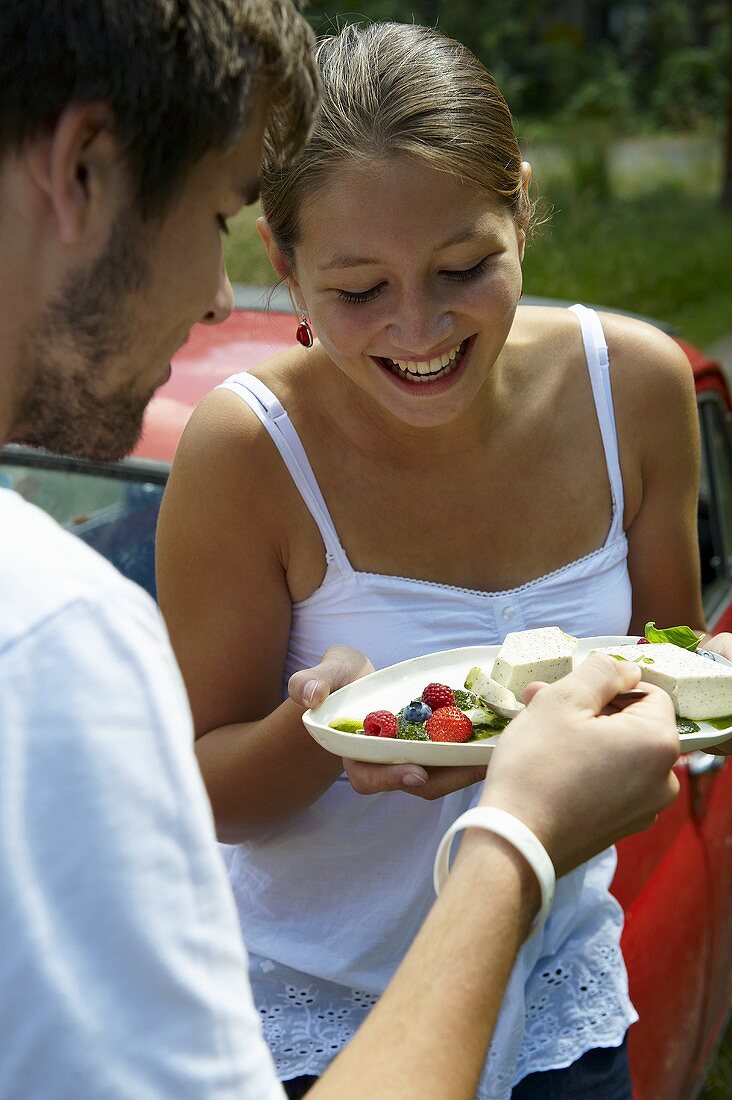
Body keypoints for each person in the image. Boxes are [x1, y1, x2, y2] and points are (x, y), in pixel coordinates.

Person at [0, 5, 689, 1099]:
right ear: (285, 255)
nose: (418, 330)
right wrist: (323, 728)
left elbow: (674, 666)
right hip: (320, 1024)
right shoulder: (219, 474)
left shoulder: (637, 387)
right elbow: (205, 793)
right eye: (360, 290)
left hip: (558, 993)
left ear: (520, 205)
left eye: (463, 266)